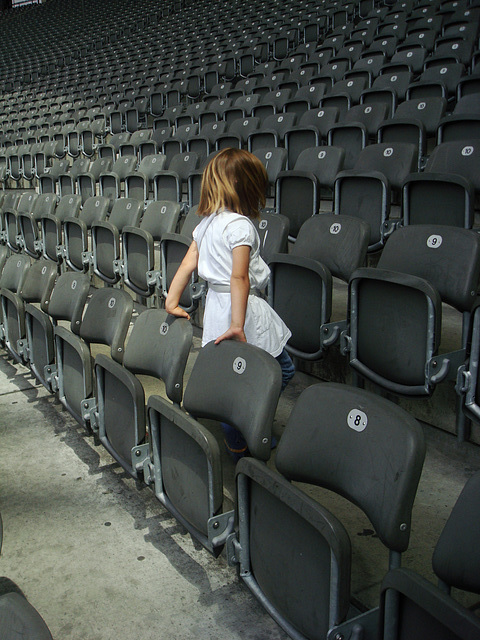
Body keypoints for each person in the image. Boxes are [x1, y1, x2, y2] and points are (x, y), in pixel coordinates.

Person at [165, 147, 295, 459]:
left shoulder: (205, 224)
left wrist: (171, 299)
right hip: (242, 310)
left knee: (232, 375)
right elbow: (240, 278)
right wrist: (238, 325)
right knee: (282, 370)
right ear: (247, 186)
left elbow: (186, 265)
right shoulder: (241, 226)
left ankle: (239, 436)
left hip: (216, 307)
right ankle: (247, 428)